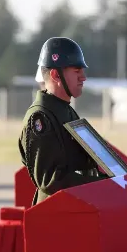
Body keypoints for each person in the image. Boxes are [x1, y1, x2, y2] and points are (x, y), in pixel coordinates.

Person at [19, 37, 108, 205]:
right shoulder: (40, 118)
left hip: (76, 210)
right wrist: (102, 185)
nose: (83, 77)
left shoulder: (64, 110)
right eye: (76, 71)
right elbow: (50, 180)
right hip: (55, 218)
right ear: (55, 74)